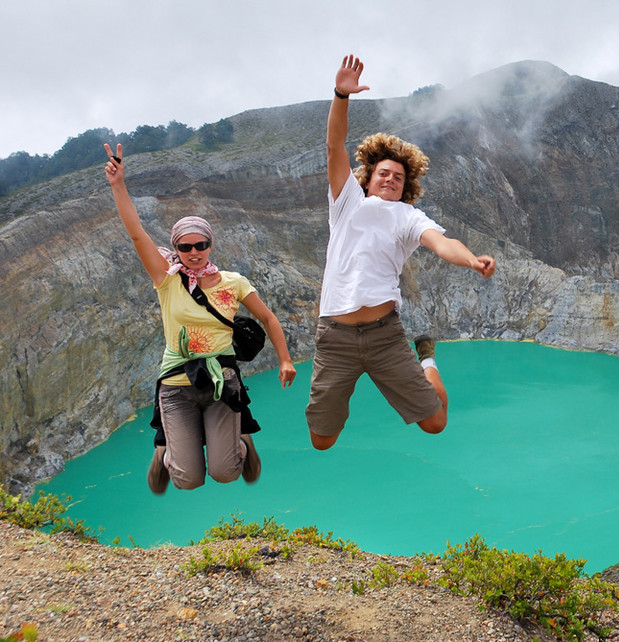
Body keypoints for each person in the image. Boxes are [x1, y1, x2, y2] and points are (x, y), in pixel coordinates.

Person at [305, 54, 496, 450]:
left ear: (405, 186)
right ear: (368, 179)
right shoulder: (346, 202)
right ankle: (363, 389)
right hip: (336, 337)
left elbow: (443, 243)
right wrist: (341, 94)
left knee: (435, 423)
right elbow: (333, 145)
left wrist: (472, 259)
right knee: (322, 440)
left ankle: (427, 359)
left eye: (398, 176)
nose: (391, 179)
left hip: (384, 335)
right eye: (383, 174)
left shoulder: (408, 217)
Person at [103, 143, 297, 493]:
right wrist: (119, 185)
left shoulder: (233, 282)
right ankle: (163, 453)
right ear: (175, 249)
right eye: (185, 247)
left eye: (201, 245)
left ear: (210, 244)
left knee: (225, 472)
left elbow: (267, 318)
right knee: (188, 479)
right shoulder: (166, 279)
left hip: (222, 382)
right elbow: (136, 234)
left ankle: (242, 442)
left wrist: (285, 360)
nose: (194, 253)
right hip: (177, 387)